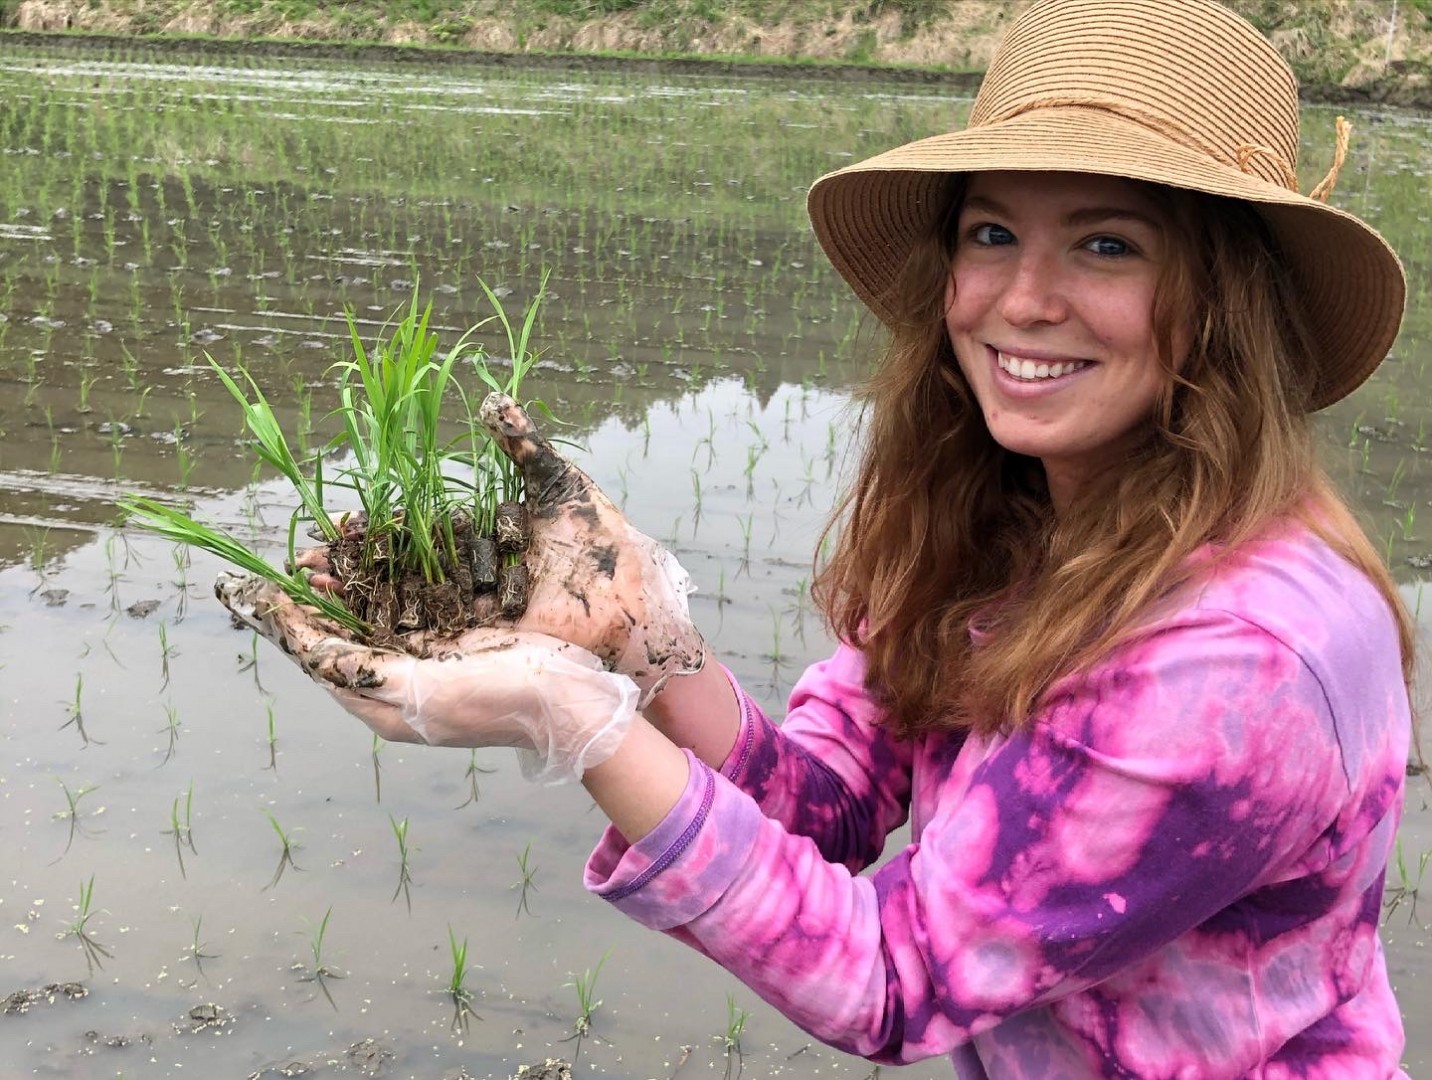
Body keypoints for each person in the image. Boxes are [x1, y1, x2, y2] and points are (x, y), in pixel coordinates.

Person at [218, 0, 1418, 1074]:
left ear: (1220, 301)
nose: (1019, 299)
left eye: (1107, 244)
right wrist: (640, 637)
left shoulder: (1240, 658)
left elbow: (892, 976)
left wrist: (569, 718)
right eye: (990, 234)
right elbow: (829, 800)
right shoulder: (1020, 514)